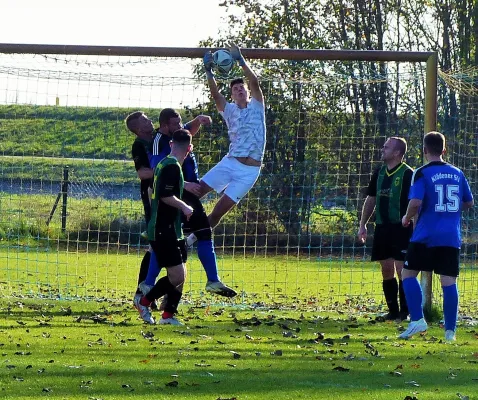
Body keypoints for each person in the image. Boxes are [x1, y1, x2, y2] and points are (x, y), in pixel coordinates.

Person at [140, 108, 237, 298]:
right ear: (166, 126)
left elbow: (187, 130)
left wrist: (198, 120)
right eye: (176, 123)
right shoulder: (160, 143)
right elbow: (161, 173)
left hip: (184, 195)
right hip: (175, 196)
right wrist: (185, 185)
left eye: (180, 122)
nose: (180, 125)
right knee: (168, 242)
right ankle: (149, 287)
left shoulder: (177, 135)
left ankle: (156, 291)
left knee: (191, 237)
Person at [187, 42, 266, 247]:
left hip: (249, 172)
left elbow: (255, 82)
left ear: (248, 92)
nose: (239, 90)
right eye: (235, 89)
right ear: (231, 95)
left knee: (219, 211)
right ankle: (173, 226)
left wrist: (241, 61)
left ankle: (192, 239)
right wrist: (208, 71)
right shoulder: (229, 109)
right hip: (230, 164)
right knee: (196, 191)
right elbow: (215, 94)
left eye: (242, 88)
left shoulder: (258, 106)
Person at [398, 132, 473, 341]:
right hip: (450, 236)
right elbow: (469, 202)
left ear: (424, 150)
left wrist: (406, 217)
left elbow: (415, 202)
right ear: (444, 150)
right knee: (448, 281)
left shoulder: (421, 173)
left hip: (425, 235)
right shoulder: (458, 173)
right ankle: (450, 332)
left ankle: (417, 320)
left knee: (408, 274)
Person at [134, 128, 194, 326]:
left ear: (170, 144)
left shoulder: (163, 164)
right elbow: (164, 195)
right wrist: (185, 207)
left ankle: (168, 315)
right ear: (190, 149)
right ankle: (144, 302)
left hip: (170, 228)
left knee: (181, 274)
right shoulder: (171, 167)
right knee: (177, 275)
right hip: (163, 230)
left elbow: (151, 189)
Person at [358, 137, 413, 321]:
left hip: (402, 228)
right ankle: (393, 311)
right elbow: (371, 199)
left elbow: (416, 203)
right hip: (382, 228)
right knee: (386, 269)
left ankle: (405, 312)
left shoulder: (408, 174)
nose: (382, 149)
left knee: (401, 269)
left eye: (386, 147)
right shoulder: (379, 172)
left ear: (397, 153)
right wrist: (363, 224)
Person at [125, 111, 157, 314]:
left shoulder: (157, 139)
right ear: (138, 129)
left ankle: (148, 295)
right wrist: (167, 168)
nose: (150, 121)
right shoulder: (139, 145)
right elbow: (143, 173)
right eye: (145, 120)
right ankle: (141, 294)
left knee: (162, 248)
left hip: (167, 194)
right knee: (156, 246)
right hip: (153, 198)